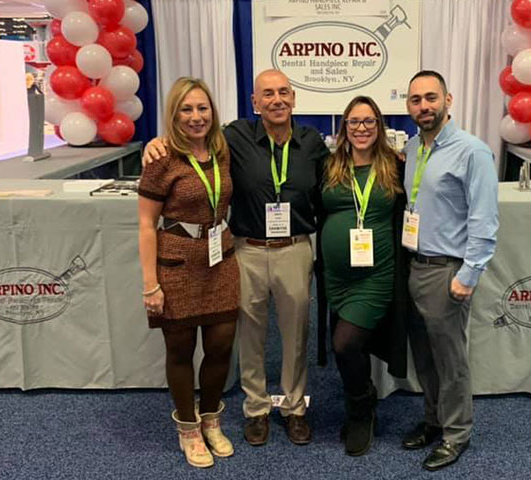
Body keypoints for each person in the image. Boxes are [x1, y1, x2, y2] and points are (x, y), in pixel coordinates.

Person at [142, 69, 330, 446]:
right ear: (254, 102)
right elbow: (191, 136)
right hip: (247, 249)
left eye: (283, 92)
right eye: (267, 94)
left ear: (294, 98)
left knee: (296, 334)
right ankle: (256, 408)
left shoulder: (312, 142)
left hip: (294, 248)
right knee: (250, 334)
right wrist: (155, 142)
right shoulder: (234, 137)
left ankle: (294, 408)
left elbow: (336, 178)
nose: (277, 100)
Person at [138, 77, 239, 468]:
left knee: (221, 346)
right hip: (177, 263)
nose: (196, 117)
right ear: (174, 114)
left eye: (202, 108)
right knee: (180, 350)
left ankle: (211, 418)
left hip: (220, 260)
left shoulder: (221, 150)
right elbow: (146, 225)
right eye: (187, 109)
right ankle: (188, 428)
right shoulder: (161, 158)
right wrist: (151, 285)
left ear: (212, 111)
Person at [400, 70, 499, 471]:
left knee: (450, 360)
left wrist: (469, 274)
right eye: (416, 100)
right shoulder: (412, 148)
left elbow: (485, 219)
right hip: (415, 265)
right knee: (424, 357)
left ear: (448, 100)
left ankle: (457, 434)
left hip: (447, 271)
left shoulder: (472, 151)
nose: (424, 106)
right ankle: (433, 420)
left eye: (431, 98)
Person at [321, 96, 404, 456]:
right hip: (336, 278)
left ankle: (361, 409)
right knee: (344, 347)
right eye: (354, 121)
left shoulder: (395, 165)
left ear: (379, 126)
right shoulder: (328, 165)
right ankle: (359, 400)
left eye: (369, 121)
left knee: (345, 344)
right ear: (345, 127)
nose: (361, 128)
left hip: (376, 275)